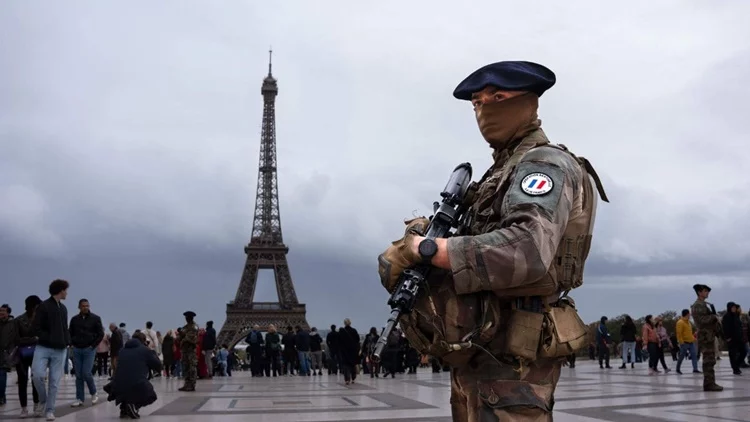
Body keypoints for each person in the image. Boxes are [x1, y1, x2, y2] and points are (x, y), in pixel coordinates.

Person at [377, 60, 608, 421]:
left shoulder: (543, 165)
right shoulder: (500, 171)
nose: (485, 109)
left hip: (514, 360)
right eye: (476, 104)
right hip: (481, 347)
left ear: (528, 102)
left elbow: (527, 249)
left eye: (497, 97)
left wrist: (428, 250)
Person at [32, 279, 72, 421]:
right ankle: (43, 400)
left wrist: (67, 341)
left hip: (60, 350)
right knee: (37, 375)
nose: (67, 293)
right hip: (43, 347)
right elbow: (36, 327)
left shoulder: (63, 308)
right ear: (60, 290)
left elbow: (65, 328)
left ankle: (50, 409)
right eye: (65, 290)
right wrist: (49, 338)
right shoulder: (43, 306)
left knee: (54, 382)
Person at [103, 331, 162, 419]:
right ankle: (134, 405)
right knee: (151, 395)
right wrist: (151, 351)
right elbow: (159, 366)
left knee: (127, 385)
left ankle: (124, 409)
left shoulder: (122, 350)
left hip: (117, 385)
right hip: (136, 383)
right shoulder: (145, 350)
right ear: (143, 341)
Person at [68, 298, 104, 407]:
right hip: (77, 349)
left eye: (87, 306)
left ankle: (94, 393)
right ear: (79, 307)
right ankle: (79, 398)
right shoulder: (74, 319)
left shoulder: (95, 318)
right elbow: (70, 332)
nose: (85, 307)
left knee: (86, 373)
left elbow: (100, 334)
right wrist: (71, 343)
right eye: (83, 306)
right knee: (78, 374)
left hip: (89, 349)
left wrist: (93, 346)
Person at [13, 295, 43, 418]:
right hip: (22, 354)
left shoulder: (41, 319)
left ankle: (36, 405)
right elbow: (16, 339)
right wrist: (32, 339)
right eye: (36, 306)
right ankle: (24, 408)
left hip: (37, 353)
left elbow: (43, 336)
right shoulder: (19, 320)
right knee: (22, 381)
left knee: (36, 379)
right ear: (30, 306)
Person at [691, 284, 723, 391]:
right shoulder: (698, 305)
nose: (707, 293)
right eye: (705, 291)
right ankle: (709, 384)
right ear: (699, 292)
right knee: (708, 360)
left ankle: (710, 382)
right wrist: (714, 317)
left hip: (708, 335)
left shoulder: (703, 304)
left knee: (710, 360)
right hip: (705, 336)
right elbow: (701, 320)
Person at [178, 311, 198, 392]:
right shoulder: (186, 327)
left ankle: (192, 384)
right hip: (185, 350)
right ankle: (186, 384)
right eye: (186, 317)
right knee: (186, 367)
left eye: (188, 317)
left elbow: (189, 338)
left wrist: (183, 338)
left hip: (190, 350)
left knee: (192, 367)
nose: (186, 319)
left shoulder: (194, 327)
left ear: (191, 318)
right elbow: (180, 337)